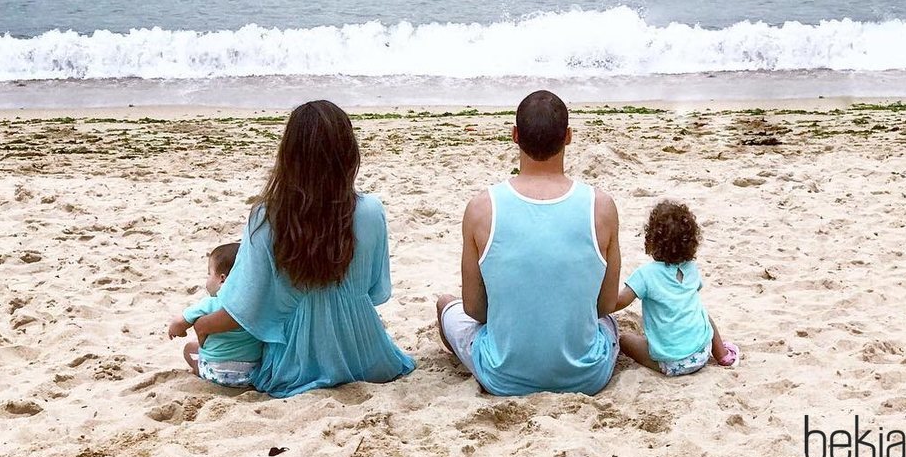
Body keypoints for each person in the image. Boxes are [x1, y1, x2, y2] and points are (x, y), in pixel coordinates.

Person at [189, 100, 415, 398]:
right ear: (348, 155)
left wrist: (202, 325)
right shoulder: (372, 211)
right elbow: (375, 291)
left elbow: (245, 306)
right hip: (367, 354)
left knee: (192, 350)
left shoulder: (267, 217)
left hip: (297, 363)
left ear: (289, 156)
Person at [436, 90, 621, 396]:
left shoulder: (482, 208)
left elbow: (474, 309)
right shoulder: (601, 206)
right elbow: (604, 305)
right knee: (611, 322)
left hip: (503, 376)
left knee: (446, 305)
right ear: (568, 137)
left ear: (515, 136)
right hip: (587, 376)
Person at [615, 199, 740, 376]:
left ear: (651, 239)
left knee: (625, 340)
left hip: (672, 363)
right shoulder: (691, 268)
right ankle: (723, 355)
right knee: (702, 313)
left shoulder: (645, 274)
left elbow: (620, 301)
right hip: (701, 353)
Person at [167, 242, 262, 387]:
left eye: (209, 274)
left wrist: (176, 331)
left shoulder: (210, 303)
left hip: (216, 373)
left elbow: (178, 323)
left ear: (222, 279)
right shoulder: (256, 305)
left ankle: (199, 370)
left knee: (189, 349)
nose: (207, 279)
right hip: (251, 374)